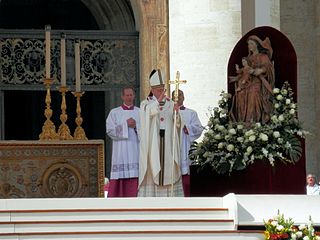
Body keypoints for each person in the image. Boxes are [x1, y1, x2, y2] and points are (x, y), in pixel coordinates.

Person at [138, 69, 184, 197]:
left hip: (168, 142)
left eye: (162, 89)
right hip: (153, 144)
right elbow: (148, 114)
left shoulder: (170, 103)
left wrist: (176, 113)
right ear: (152, 90)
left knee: (169, 167)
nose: (161, 92)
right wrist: (157, 102)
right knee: (153, 165)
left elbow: (178, 124)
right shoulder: (145, 104)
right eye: (158, 90)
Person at [230, 35, 274, 124]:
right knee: (240, 94)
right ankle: (244, 121)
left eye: (251, 44)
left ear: (257, 45)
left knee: (253, 94)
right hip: (247, 82)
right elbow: (243, 71)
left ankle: (254, 120)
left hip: (257, 82)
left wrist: (260, 70)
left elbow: (269, 67)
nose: (249, 46)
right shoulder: (248, 58)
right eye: (248, 44)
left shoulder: (263, 56)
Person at [106, 86, 140, 197]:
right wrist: (126, 125)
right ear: (122, 96)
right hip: (120, 150)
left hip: (135, 148)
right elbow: (110, 131)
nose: (129, 97)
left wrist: (136, 126)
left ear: (134, 96)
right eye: (127, 95)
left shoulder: (140, 112)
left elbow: (146, 132)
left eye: (131, 95)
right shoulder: (114, 113)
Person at [172, 89, 203, 197]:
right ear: (172, 98)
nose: (178, 97)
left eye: (180, 95)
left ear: (184, 97)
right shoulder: (167, 113)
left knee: (186, 175)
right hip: (171, 147)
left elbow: (199, 128)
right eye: (175, 95)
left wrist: (187, 128)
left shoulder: (191, 113)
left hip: (185, 146)